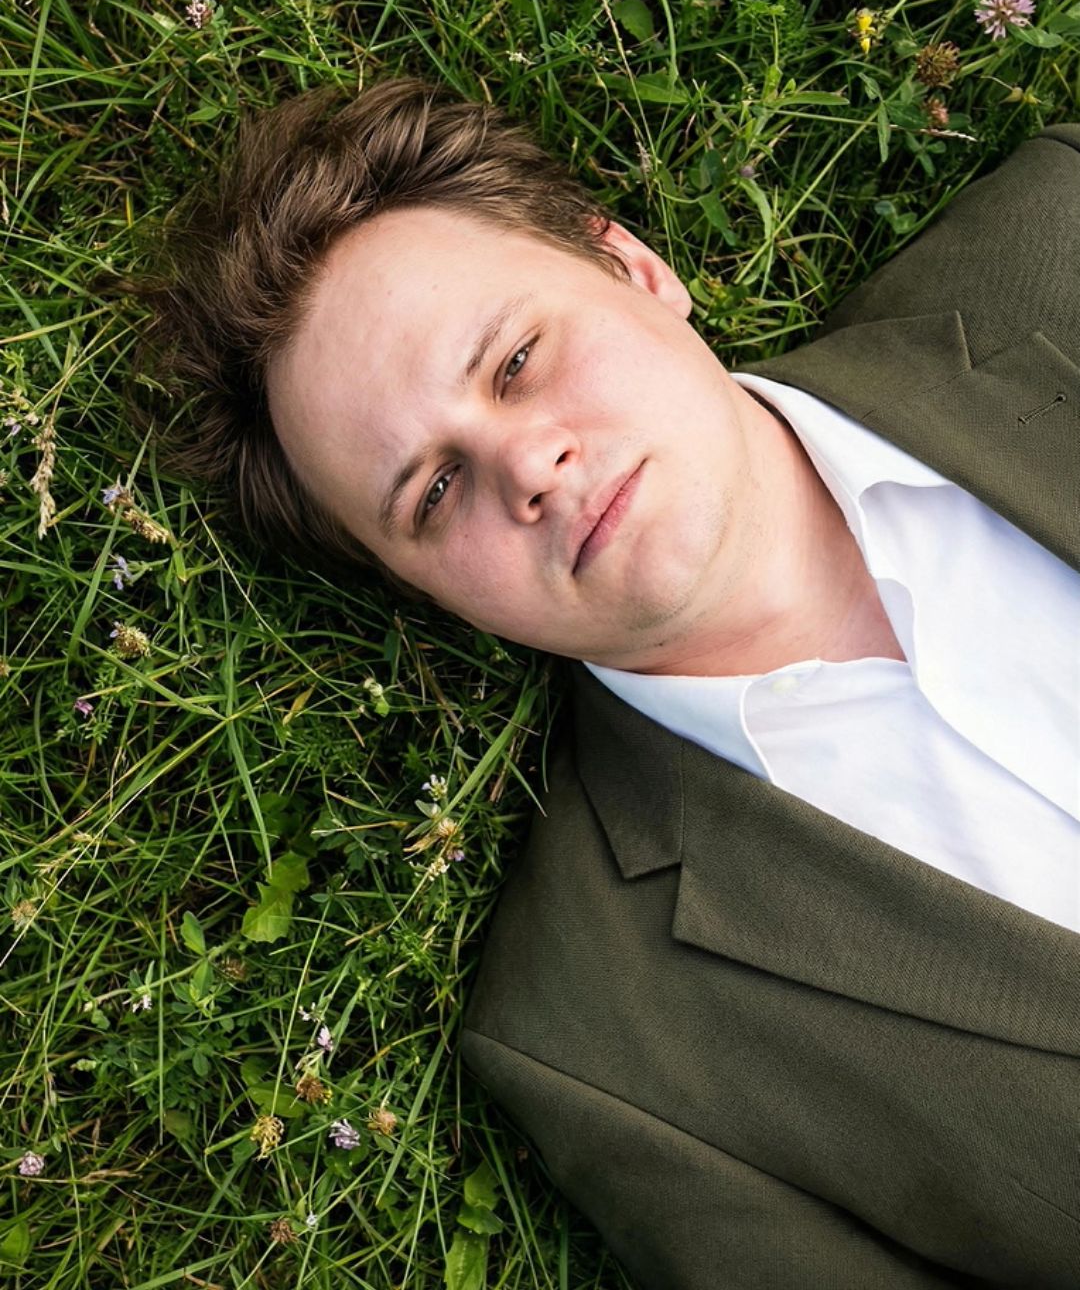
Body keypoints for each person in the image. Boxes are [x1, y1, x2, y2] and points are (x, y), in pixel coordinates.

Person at [135, 78, 1080, 1288]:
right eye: (434, 492)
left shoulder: (1061, 236)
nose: (529, 463)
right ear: (426, 592)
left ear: (632, 266)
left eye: (517, 359)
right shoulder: (604, 1052)